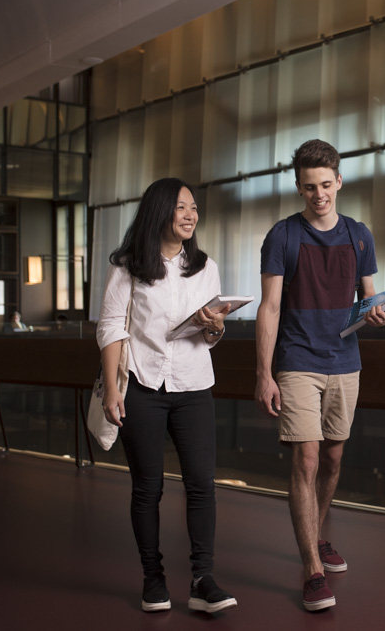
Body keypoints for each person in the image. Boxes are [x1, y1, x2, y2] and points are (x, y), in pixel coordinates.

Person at [255, 139, 385, 612]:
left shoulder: (359, 235)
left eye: (326, 184)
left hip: (346, 362)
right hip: (297, 361)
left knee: (333, 459)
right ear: (299, 187)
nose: (319, 194)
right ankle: (313, 569)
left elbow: (369, 299)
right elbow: (270, 307)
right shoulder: (283, 236)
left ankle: (315, 535)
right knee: (308, 460)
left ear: (339, 180)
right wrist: (264, 373)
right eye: (310, 186)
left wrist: (379, 314)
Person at [96, 177, 238, 614]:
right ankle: (153, 579)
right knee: (148, 488)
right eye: (181, 207)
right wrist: (110, 391)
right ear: (160, 211)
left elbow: (212, 335)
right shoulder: (128, 265)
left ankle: (202, 579)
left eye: (194, 208)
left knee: (202, 486)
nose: (191, 215)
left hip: (194, 386)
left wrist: (214, 325)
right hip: (142, 385)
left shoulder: (206, 267)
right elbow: (111, 327)